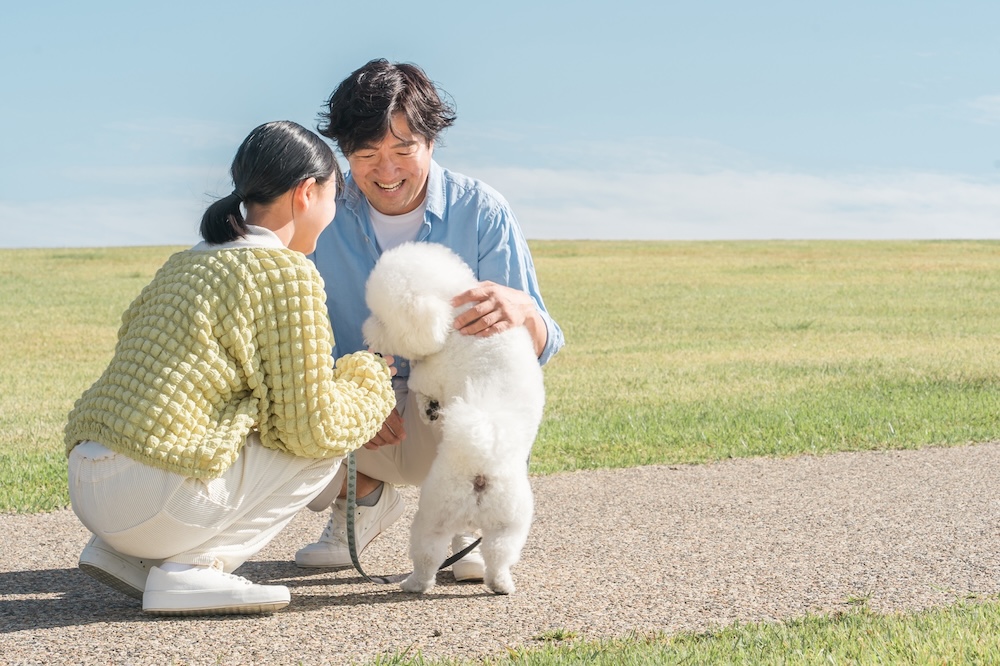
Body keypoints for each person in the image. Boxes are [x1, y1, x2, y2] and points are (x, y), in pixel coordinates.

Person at [64, 120, 396, 616]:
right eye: (334, 197)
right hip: (151, 498)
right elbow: (312, 426)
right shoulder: (285, 272)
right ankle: (193, 570)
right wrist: (369, 378)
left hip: (92, 491)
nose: (333, 213)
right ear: (307, 193)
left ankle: (128, 556)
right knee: (321, 448)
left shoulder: (187, 261)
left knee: (259, 422)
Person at [294, 59, 564, 581]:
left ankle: (467, 511)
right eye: (367, 154)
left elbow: (536, 351)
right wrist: (351, 400)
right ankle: (362, 498)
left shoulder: (482, 211)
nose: (386, 169)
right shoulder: (320, 212)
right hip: (356, 409)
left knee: (471, 402)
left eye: (403, 149)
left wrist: (528, 315)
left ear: (431, 142)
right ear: (344, 154)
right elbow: (295, 339)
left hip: (445, 411)